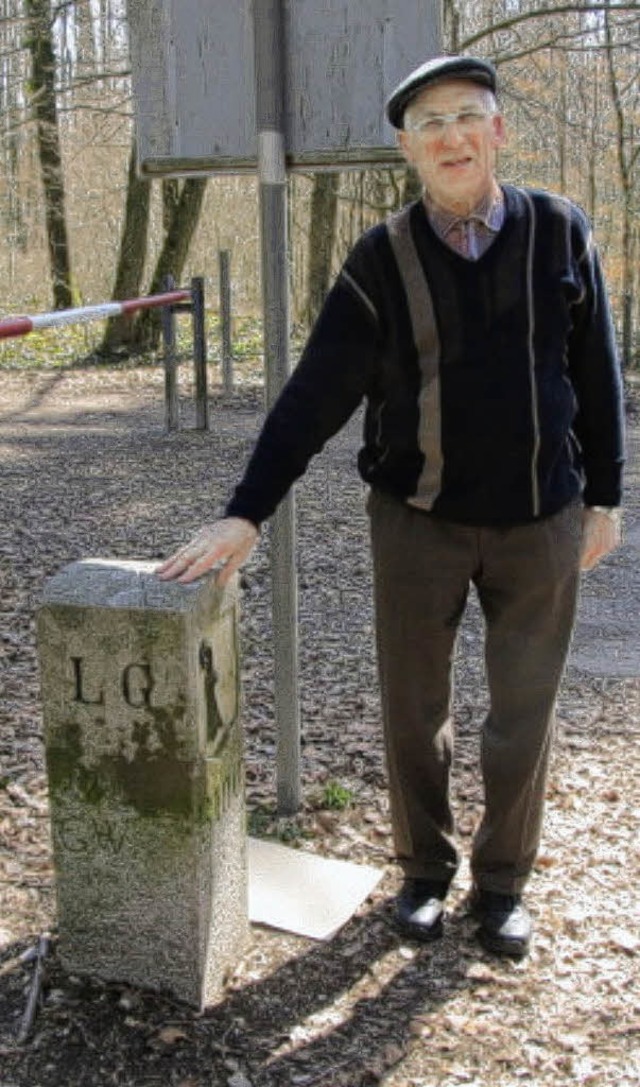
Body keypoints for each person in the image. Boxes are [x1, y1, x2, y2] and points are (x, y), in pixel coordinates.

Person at [158, 55, 624, 958]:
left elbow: (596, 377)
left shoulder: (562, 233)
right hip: (417, 520)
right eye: (430, 123)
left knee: (522, 713)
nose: (451, 135)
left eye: (467, 116)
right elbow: (313, 398)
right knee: (415, 706)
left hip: (543, 521)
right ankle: (422, 871)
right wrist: (245, 512)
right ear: (407, 149)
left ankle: (501, 885)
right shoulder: (380, 258)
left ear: (499, 131)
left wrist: (606, 495)